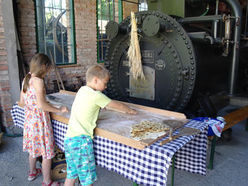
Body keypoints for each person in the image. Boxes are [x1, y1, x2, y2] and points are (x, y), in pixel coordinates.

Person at [64, 64, 137, 186]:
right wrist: (130, 110)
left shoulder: (82, 90)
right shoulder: (96, 95)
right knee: (87, 181)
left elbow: (94, 106)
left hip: (70, 140)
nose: (106, 86)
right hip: (81, 142)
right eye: (105, 83)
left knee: (71, 175)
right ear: (95, 80)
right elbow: (115, 105)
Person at [19, 53, 68, 186]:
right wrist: (60, 109)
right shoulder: (39, 81)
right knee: (47, 153)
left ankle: (32, 172)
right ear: (43, 66)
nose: (49, 71)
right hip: (40, 121)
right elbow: (41, 105)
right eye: (48, 68)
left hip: (30, 121)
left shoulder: (26, 79)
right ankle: (47, 181)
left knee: (33, 149)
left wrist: (36, 105)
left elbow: (22, 102)